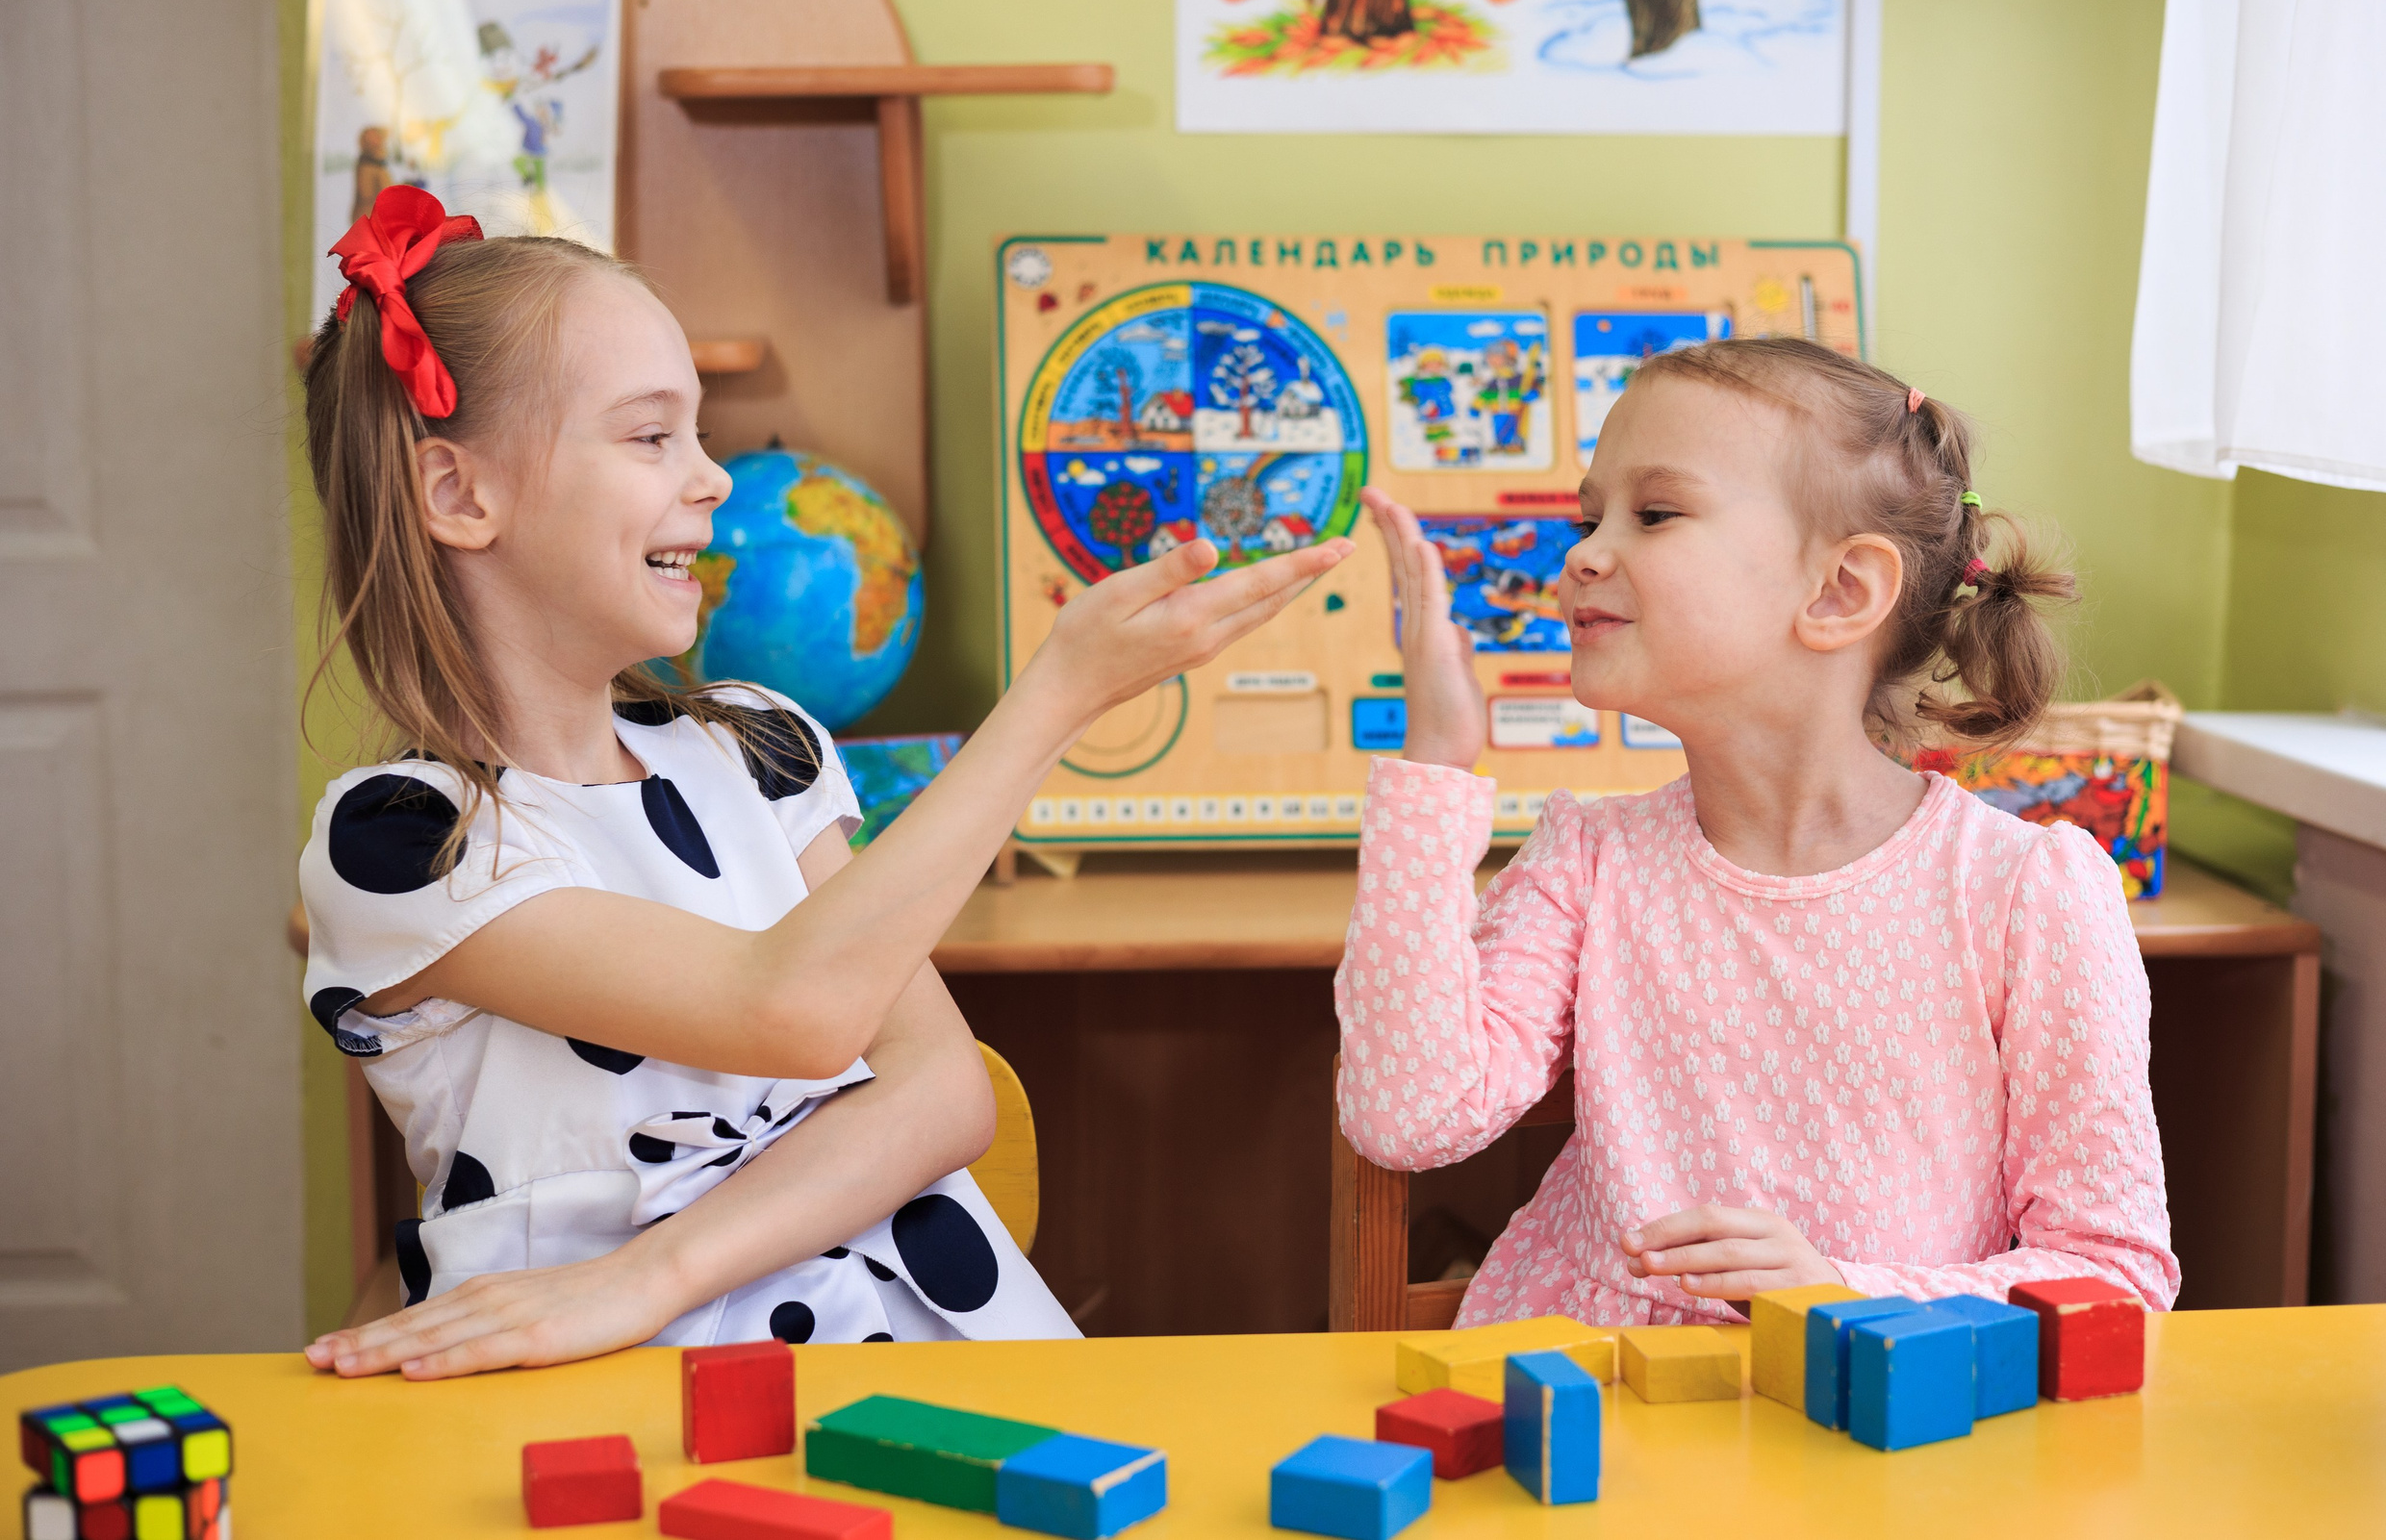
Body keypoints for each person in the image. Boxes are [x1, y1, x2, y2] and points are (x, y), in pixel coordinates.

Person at [297, 187, 1348, 1378]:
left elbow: (946, 1094)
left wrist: (655, 1270)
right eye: (650, 437)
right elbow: (790, 1013)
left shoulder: (754, 750)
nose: (713, 480)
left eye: (700, 433)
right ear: (458, 495)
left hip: (919, 1346)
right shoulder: (405, 843)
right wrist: (1054, 700)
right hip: (610, 1398)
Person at [1339, 338, 2177, 1328]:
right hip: (1603, 1429)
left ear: (1838, 592)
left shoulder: (2027, 890)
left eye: (1653, 514)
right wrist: (1436, 761)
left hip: (1866, 1447)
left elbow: (2110, 1278)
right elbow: (1409, 1115)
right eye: (1588, 514)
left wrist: (1835, 1297)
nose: (1581, 553)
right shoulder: (1590, 858)